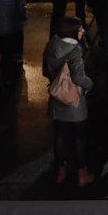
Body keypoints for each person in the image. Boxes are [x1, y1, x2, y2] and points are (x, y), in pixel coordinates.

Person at [42, 16, 95, 187]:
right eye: (80, 29)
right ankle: (82, 173)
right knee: (79, 138)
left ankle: (61, 171)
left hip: (57, 98)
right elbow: (79, 78)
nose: (83, 31)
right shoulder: (75, 50)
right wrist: (90, 84)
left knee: (59, 136)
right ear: (72, 32)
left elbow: (45, 71)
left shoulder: (52, 45)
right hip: (74, 103)